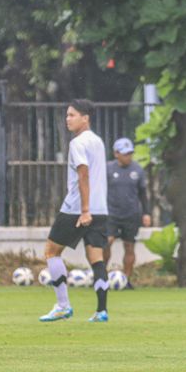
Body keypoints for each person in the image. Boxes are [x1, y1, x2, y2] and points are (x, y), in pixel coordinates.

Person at [39, 99, 111, 323]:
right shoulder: (97, 141)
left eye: (72, 115)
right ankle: (101, 311)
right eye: (67, 115)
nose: (67, 119)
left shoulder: (77, 143)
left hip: (78, 209)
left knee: (51, 251)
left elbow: (83, 175)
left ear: (85, 118)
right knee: (96, 259)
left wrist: (85, 210)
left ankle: (63, 306)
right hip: (101, 208)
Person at [103, 137, 152, 289]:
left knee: (129, 246)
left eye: (130, 153)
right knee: (107, 242)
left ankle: (126, 280)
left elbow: (143, 193)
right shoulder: (108, 169)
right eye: (125, 153)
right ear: (116, 153)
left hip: (131, 214)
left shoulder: (137, 169)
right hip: (111, 213)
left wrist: (146, 213)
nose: (128, 156)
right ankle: (101, 277)